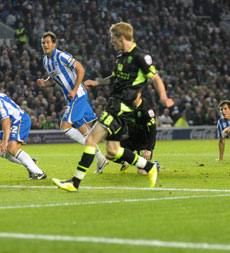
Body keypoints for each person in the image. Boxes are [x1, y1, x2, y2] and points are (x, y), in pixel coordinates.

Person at [52, 22, 174, 192]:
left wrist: (164, 97)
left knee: (91, 140)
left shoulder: (140, 57)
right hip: (115, 104)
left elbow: (155, 78)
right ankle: (149, 167)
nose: (111, 42)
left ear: (122, 37)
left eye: (113, 38)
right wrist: (97, 82)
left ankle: (75, 182)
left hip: (120, 108)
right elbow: (114, 77)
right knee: (112, 151)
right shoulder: (120, 56)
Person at [37, 31, 108, 174]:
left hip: (78, 95)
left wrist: (75, 89)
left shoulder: (62, 56)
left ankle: (118, 151)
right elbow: (53, 79)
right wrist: (44, 83)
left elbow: (81, 69)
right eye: (43, 43)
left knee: (65, 126)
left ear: (54, 44)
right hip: (73, 97)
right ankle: (102, 158)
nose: (45, 45)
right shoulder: (46, 61)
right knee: (88, 128)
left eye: (48, 42)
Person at [117, 96, 157, 175]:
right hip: (129, 139)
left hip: (143, 142)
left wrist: (149, 149)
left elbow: (153, 130)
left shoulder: (146, 109)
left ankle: (154, 165)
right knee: (111, 153)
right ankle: (126, 162)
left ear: (139, 94)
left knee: (142, 172)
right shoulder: (126, 106)